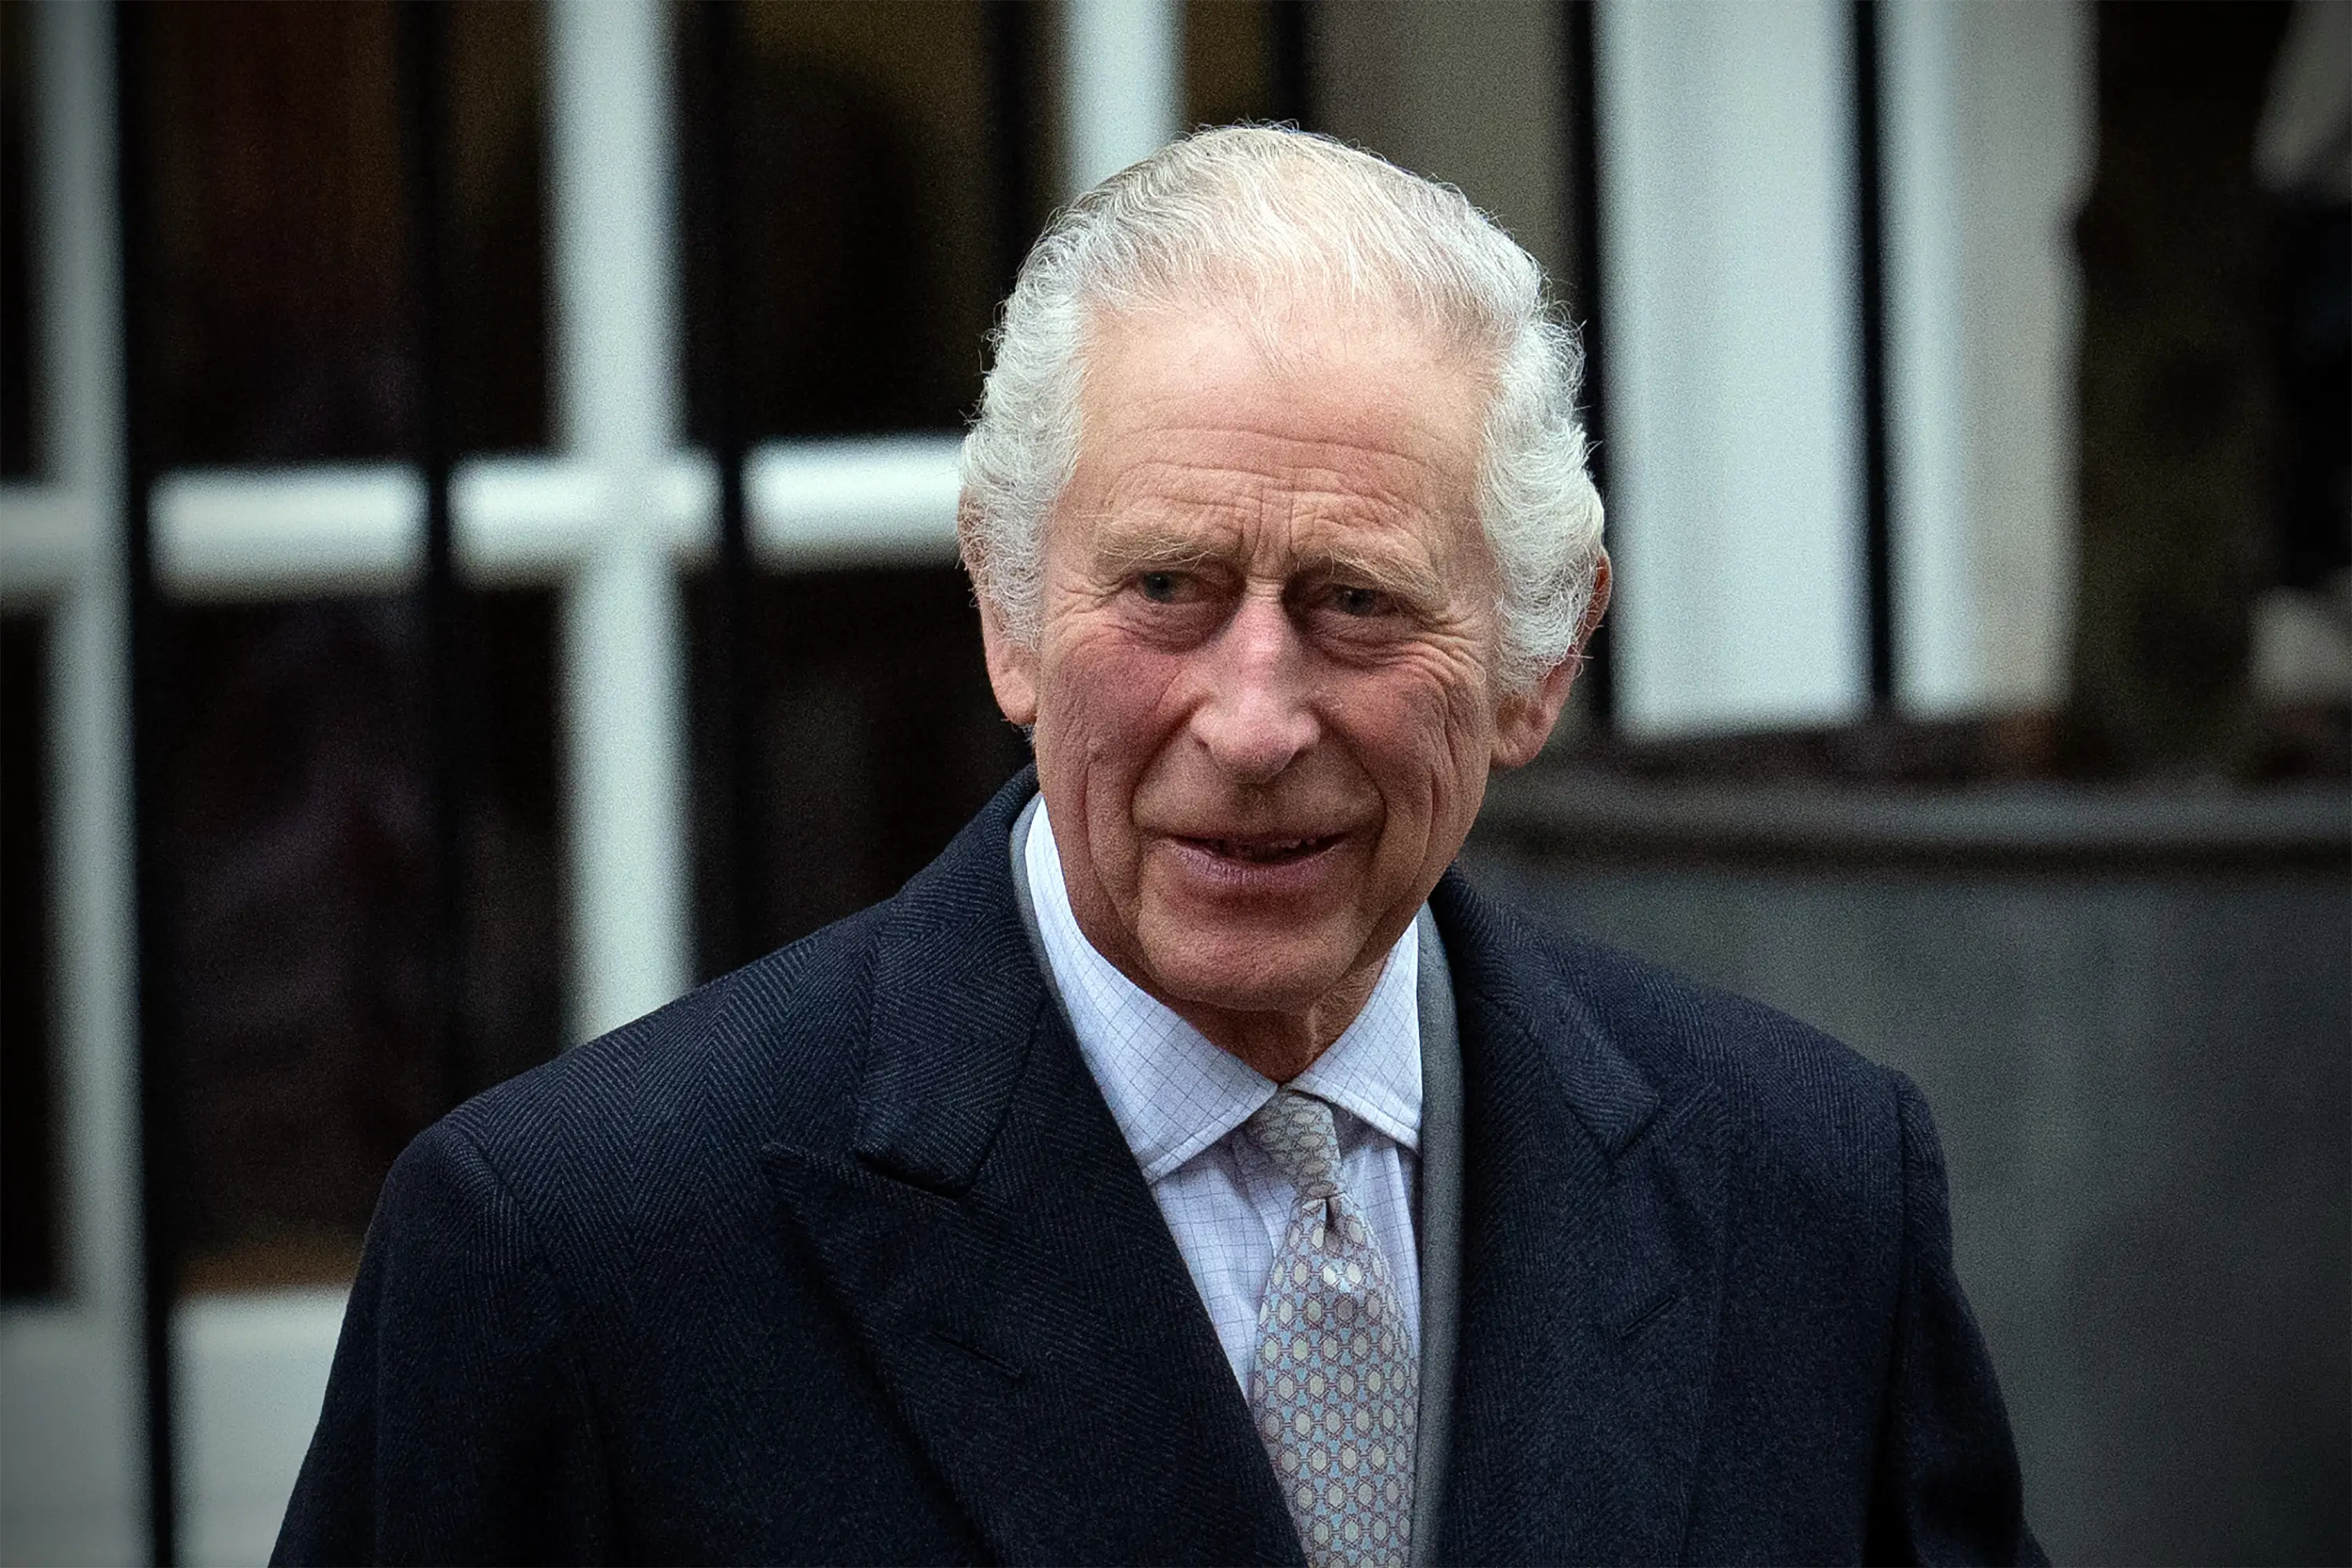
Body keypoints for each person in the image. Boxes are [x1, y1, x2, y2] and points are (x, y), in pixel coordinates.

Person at [275, 127, 2038, 1566]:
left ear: (1543, 659)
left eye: (1357, 603)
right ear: (1007, 609)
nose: (1255, 719)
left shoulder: (1809, 1192)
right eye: (1169, 589)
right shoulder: (582, 1250)